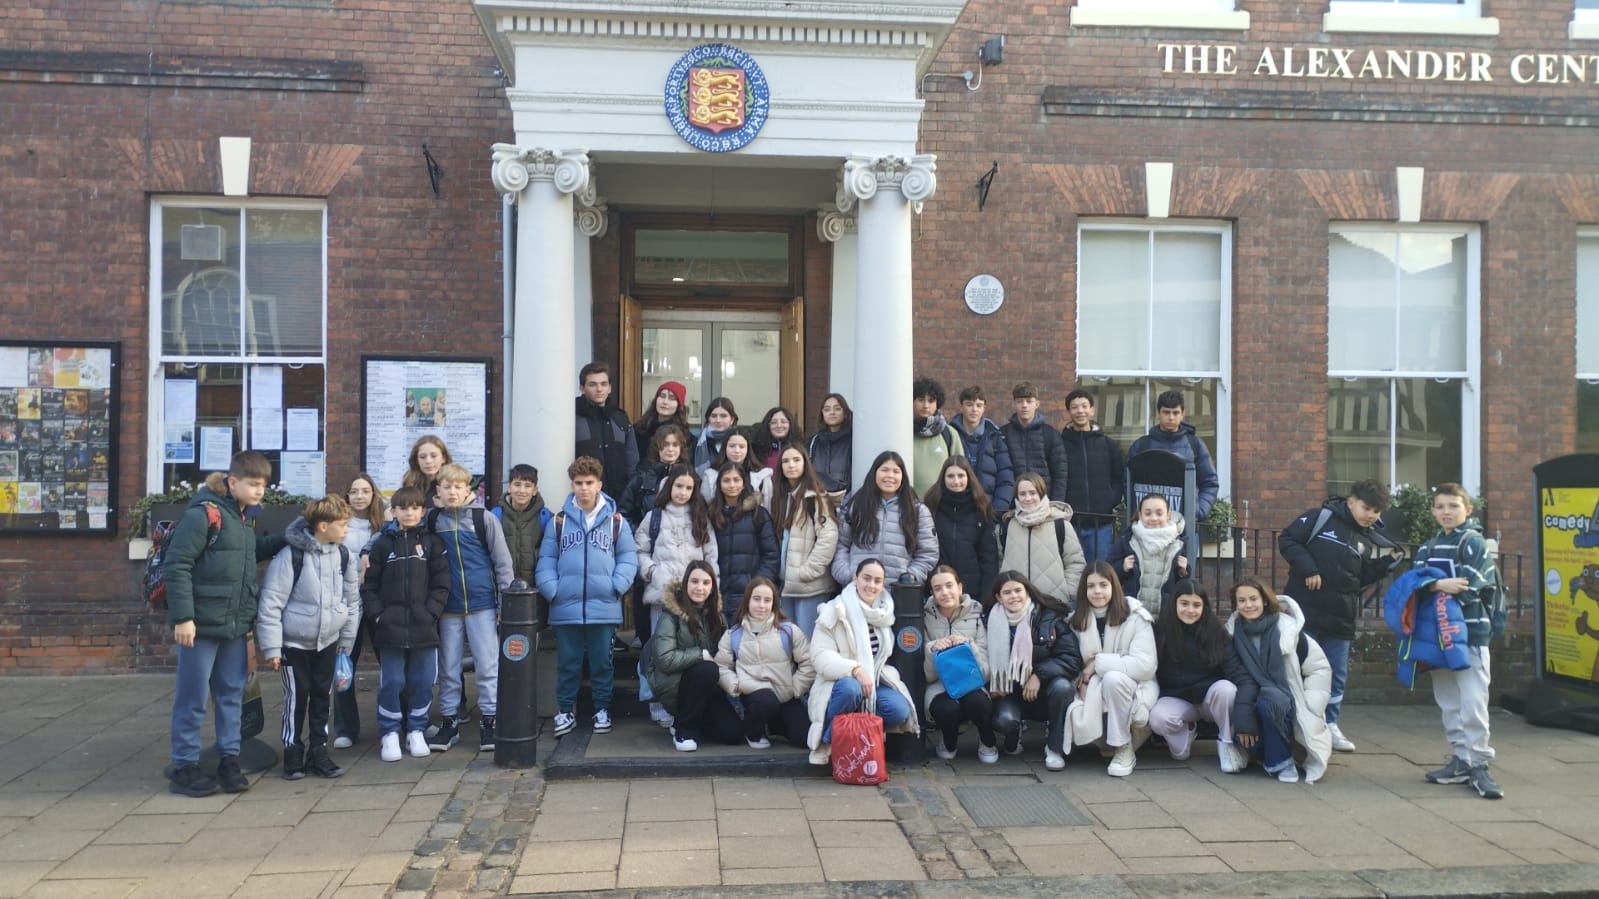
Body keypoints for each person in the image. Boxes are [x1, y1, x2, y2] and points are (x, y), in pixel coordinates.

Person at [164, 452, 289, 797]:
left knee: (232, 695)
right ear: (233, 482)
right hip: (200, 627)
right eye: (253, 484)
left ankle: (228, 760)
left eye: (263, 485)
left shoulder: (242, 517)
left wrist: (288, 536)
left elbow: (250, 553)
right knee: (192, 698)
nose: (260, 490)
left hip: (234, 625)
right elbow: (177, 565)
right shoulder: (203, 515)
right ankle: (184, 767)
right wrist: (183, 618)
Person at [1278, 478, 1404, 753]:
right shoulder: (1320, 518)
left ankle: (1330, 725)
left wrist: (1385, 565)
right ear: (1351, 502)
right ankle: (1293, 724)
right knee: (1297, 670)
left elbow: (1357, 580)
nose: (1371, 515)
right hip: (1305, 612)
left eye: (1377, 512)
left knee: (1335, 675)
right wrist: (1309, 569)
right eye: (1367, 508)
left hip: (1340, 618)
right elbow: (1287, 539)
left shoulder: (1367, 538)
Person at [256, 495, 362, 780]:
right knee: (296, 697)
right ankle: (292, 750)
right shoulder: (291, 556)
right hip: (294, 644)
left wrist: (346, 641)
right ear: (323, 526)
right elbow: (271, 603)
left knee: (322, 697)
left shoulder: (344, 556)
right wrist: (272, 647)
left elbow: (352, 601)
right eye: (342, 524)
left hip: (328, 642)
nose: (347, 530)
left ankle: (318, 750)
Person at [536, 456, 639, 740]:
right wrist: (552, 589)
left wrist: (616, 586)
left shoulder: (616, 522)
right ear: (572, 485)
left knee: (602, 663)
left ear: (599, 484)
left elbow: (628, 558)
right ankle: (565, 710)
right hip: (565, 606)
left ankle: (602, 708)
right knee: (568, 662)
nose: (584, 488)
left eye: (589, 483)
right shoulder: (558, 522)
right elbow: (546, 559)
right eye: (579, 483)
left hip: (603, 605)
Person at [1414, 483, 1503, 799]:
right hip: (1436, 634)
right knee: (1449, 701)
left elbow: (1471, 582)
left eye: (1453, 506)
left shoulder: (1474, 541)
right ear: (1433, 511)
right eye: (1440, 506)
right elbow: (1415, 583)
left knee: (1473, 701)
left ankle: (1479, 763)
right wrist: (1439, 584)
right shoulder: (1427, 547)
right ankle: (1461, 758)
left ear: (1468, 509)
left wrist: (1433, 585)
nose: (1446, 512)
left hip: (1471, 633)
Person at [429, 463, 514, 753]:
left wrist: (505, 603)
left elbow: (503, 563)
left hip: (482, 604)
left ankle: (490, 720)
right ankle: (449, 721)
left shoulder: (483, 518)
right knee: (448, 667)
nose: (452, 492)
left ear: (468, 489)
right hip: (447, 607)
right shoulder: (432, 520)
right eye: (447, 487)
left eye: (458, 487)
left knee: (488, 665)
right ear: (438, 490)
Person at [360, 486, 448, 763]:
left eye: (415, 508)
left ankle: (416, 730)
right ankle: (389, 732)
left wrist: (431, 613)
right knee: (393, 682)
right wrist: (379, 616)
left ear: (422, 511)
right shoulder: (382, 544)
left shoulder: (432, 543)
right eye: (403, 508)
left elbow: (442, 584)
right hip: (390, 629)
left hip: (424, 627)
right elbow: (369, 586)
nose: (409, 513)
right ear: (394, 511)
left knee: (423, 681)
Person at [806, 558, 919, 765]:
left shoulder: (885, 612)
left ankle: (856, 738)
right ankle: (827, 742)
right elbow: (820, 656)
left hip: (874, 682)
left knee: (899, 710)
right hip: (839, 684)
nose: (871, 585)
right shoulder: (834, 609)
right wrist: (856, 670)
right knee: (851, 689)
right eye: (866, 578)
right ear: (855, 578)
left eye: (877, 581)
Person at [1226, 577, 1332, 784]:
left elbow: (1319, 667)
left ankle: (1282, 762)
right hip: (1248, 700)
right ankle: (1276, 753)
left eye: (1253, 599)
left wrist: (1312, 703)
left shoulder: (1288, 630)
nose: (1248, 605)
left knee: (1269, 703)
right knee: (1243, 738)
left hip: (1289, 701)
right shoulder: (1232, 635)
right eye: (1242, 600)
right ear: (1236, 604)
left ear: (1265, 600)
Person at [635, 463, 718, 724]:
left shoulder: (700, 518)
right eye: (678, 486)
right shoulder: (654, 517)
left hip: (695, 597)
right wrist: (652, 572)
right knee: (660, 653)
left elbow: (711, 556)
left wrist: (711, 586)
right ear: (669, 486)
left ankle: (688, 705)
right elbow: (640, 550)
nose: (682, 492)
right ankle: (661, 707)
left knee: (690, 650)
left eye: (688, 488)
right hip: (661, 596)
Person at [1063, 561, 1158, 777]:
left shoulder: (1135, 616)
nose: (1097, 591)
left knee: (1112, 678)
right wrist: (1083, 680)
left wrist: (1098, 663)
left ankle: (1124, 748)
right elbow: (1071, 664)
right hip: (1090, 689)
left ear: (1114, 586)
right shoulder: (1075, 621)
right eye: (1091, 586)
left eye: (1103, 585)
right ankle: (1108, 742)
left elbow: (1145, 667)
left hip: (1135, 687)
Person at [986, 571, 1082, 770]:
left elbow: (1071, 659)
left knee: (1063, 687)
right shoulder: (988, 621)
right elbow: (981, 659)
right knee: (1005, 721)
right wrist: (991, 685)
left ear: (1027, 592)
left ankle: (1054, 747)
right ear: (998, 597)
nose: (1014, 596)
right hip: (1010, 692)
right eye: (1007, 592)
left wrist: (1038, 675)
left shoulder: (1049, 617)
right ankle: (1014, 732)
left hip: (1045, 691)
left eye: (1018, 590)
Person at [1151, 579, 1249, 773]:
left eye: (1197, 605)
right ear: (1174, 604)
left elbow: (1234, 671)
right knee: (1158, 719)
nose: (1190, 610)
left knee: (1227, 690)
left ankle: (1226, 742)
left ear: (1204, 607)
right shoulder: (1160, 632)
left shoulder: (1217, 633)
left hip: (1210, 701)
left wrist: (1246, 709)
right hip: (1177, 700)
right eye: (1184, 603)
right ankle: (1187, 733)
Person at [645, 561, 741, 751]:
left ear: (712, 588)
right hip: (674, 684)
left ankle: (690, 720)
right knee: (706, 668)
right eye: (694, 581)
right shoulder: (670, 616)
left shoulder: (718, 617)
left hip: (707, 687)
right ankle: (684, 731)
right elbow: (664, 660)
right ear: (685, 583)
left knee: (733, 734)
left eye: (706, 583)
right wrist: (700, 654)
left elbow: (725, 654)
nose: (700, 587)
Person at [716, 576, 816, 748]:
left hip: (785, 695)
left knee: (804, 738)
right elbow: (721, 666)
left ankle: (773, 725)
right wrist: (736, 685)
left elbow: (809, 662)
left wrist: (794, 688)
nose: (761, 605)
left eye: (767, 600)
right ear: (747, 601)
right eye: (756, 599)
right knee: (766, 701)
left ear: (774, 604)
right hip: (755, 696)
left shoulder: (788, 631)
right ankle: (752, 731)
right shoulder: (733, 635)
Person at [333, 471, 388, 749]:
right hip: (346, 602)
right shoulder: (338, 523)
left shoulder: (383, 524)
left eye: (365, 491)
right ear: (346, 495)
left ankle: (398, 720)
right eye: (354, 491)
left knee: (390, 661)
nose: (359, 496)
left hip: (377, 600)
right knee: (344, 665)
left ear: (373, 494)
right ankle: (345, 728)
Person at [923, 566, 998, 763]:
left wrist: (968, 646)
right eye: (938, 588)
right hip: (939, 683)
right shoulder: (924, 616)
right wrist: (933, 648)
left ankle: (987, 740)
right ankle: (949, 740)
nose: (945, 592)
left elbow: (986, 670)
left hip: (972, 680)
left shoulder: (978, 613)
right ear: (932, 593)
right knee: (945, 707)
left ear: (960, 587)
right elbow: (927, 675)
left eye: (949, 585)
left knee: (977, 701)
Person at [831, 450, 940, 587]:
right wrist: (848, 575)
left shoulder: (917, 511)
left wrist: (910, 577)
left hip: (898, 591)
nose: (890, 476)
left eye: (896, 471)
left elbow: (928, 553)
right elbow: (841, 546)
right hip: (857, 589)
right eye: (885, 470)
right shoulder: (855, 506)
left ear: (903, 476)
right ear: (874, 473)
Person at [770, 445, 839, 635]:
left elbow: (828, 537)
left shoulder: (815, 497)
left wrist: (807, 571)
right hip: (786, 586)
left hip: (810, 586)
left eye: (796, 460)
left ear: (805, 463)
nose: (791, 465)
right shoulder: (779, 497)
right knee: (789, 641)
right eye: (786, 461)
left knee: (809, 640)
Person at [1125, 390, 1219, 523]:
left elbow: (1210, 482)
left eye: (1175, 413)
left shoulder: (1195, 445)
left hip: (1185, 525)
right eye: (1166, 412)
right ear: (1158, 413)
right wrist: (1138, 510)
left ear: (1182, 414)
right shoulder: (1141, 445)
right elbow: (1127, 481)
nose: (1171, 417)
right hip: (1148, 525)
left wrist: (1198, 511)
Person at [999, 472, 1087, 609]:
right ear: (1017, 496)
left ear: (1041, 494)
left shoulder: (1061, 525)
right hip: (1015, 606)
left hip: (1054, 605)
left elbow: (1075, 563)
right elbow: (999, 561)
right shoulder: (1007, 526)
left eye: (1032, 493)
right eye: (1022, 494)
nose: (1028, 498)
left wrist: (1067, 593)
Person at [709, 461, 780, 628]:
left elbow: (771, 556)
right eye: (726, 480)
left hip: (748, 595)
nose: (732, 485)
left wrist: (755, 587)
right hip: (717, 594)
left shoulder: (758, 514)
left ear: (744, 483)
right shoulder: (711, 515)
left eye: (736, 480)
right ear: (719, 484)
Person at [923, 456, 1000, 607]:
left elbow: (988, 558)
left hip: (972, 592)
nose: (956, 481)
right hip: (938, 590)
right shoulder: (931, 506)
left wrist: (985, 599)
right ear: (943, 478)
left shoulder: (981, 508)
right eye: (950, 476)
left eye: (961, 475)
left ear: (969, 478)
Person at [1060, 388, 1124, 563]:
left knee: (1100, 571)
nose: (1080, 411)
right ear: (1068, 412)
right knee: (1073, 572)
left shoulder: (1109, 445)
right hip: (1070, 523)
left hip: (1101, 524)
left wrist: (1111, 500)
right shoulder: (1060, 444)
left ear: (1092, 410)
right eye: (1074, 407)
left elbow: (1118, 478)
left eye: (1084, 406)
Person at [1110, 493, 1188, 612]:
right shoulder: (1127, 540)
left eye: (1159, 513)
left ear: (1168, 515)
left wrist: (1184, 572)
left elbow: (1183, 587)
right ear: (1140, 515)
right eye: (1147, 513)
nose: (1153, 518)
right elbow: (1107, 574)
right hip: (1133, 615)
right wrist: (1122, 567)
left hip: (1165, 616)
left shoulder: (1178, 544)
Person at [574, 361, 639, 501]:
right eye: (592, 384)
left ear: (610, 388)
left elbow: (632, 462)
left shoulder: (620, 418)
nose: (599, 389)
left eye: (603, 384)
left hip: (619, 500)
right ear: (582, 388)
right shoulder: (572, 418)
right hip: (583, 499)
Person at [950, 385, 1016, 513]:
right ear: (961, 407)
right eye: (969, 405)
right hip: (957, 511)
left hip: (989, 511)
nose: (974, 409)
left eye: (979, 405)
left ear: (984, 408)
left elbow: (1006, 478)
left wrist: (997, 510)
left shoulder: (995, 437)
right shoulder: (950, 435)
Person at [1001, 382, 1068, 503]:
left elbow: (1060, 474)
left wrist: (1055, 503)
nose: (1024, 405)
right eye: (1020, 401)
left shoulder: (1050, 434)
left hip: (1044, 502)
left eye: (1029, 401)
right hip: (1012, 503)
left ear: (1037, 404)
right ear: (1014, 404)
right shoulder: (1003, 434)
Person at [493, 463, 551, 589]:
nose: (522, 490)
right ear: (509, 487)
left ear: (534, 490)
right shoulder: (495, 516)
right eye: (517, 484)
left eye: (528, 486)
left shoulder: (545, 517)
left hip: (536, 589)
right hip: (504, 589)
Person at [621, 424, 689, 527]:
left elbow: (698, 513)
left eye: (675, 445)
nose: (670, 449)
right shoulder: (641, 478)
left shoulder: (690, 478)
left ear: (681, 448)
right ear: (657, 447)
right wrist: (638, 532)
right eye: (665, 444)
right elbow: (623, 514)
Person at [911, 376, 965, 499]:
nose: (925, 405)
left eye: (931, 401)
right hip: (907, 503)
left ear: (937, 404)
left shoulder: (949, 433)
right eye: (921, 400)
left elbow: (961, 471)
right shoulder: (902, 432)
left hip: (942, 504)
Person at [700, 429, 772, 509]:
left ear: (748, 449)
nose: (737, 451)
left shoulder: (761, 475)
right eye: (732, 446)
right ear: (725, 447)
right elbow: (706, 508)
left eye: (742, 446)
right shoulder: (711, 475)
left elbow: (768, 506)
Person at [808, 393, 853, 496]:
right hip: (817, 498)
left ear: (845, 413)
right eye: (827, 409)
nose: (832, 412)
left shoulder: (853, 441)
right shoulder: (814, 442)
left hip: (845, 498)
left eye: (837, 409)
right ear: (822, 414)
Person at [634, 380, 689, 462]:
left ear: (679, 406)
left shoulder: (684, 436)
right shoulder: (639, 429)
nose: (665, 402)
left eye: (671, 398)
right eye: (662, 396)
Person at [401, 435, 451, 506]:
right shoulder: (409, 484)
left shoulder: (455, 484)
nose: (428, 461)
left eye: (433, 456)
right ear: (416, 460)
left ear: (443, 458)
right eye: (422, 457)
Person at [693, 396, 739, 473]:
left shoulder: (740, 441)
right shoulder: (697, 442)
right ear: (708, 419)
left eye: (723, 416)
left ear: (732, 419)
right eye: (714, 416)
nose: (718, 420)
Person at [754, 406, 805, 473]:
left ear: (790, 424)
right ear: (768, 426)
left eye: (783, 422)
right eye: (774, 422)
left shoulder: (800, 449)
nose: (779, 425)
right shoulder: (757, 450)